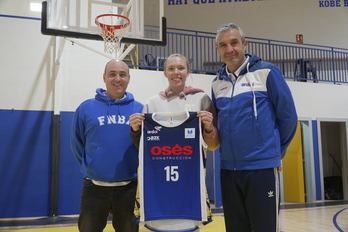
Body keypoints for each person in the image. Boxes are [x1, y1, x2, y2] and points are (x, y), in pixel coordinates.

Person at [212, 23, 298, 232]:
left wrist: (276, 152)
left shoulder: (267, 72)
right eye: (223, 45)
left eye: (234, 43)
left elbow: (288, 118)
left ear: (245, 44)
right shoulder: (217, 83)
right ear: (218, 50)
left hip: (261, 169)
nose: (229, 49)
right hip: (228, 170)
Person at [129, 53, 219, 231]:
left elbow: (213, 145)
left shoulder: (202, 100)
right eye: (171, 68)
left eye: (180, 68)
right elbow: (142, 147)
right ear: (164, 73)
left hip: (190, 183)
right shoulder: (152, 104)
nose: (176, 72)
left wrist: (208, 128)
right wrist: (135, 129)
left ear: (188, 71)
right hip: (159, 184)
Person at [70, 59, 143, 232]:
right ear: (104, 77)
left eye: (122, 74)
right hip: (94, 189)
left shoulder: (140, 109)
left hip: (130, 189)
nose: (117, 78)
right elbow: (76, 144)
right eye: (112, 74)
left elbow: (145, 147)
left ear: (128, 78)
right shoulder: (86, 108)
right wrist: (93, 166)